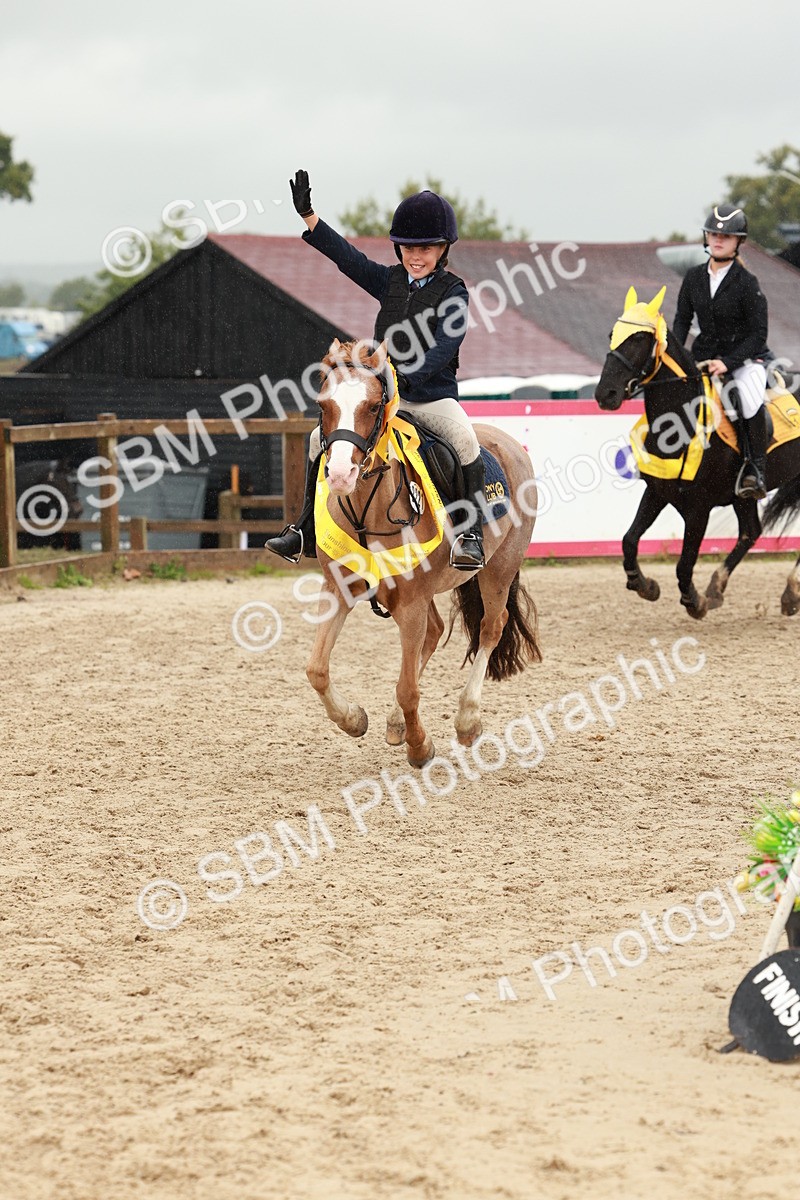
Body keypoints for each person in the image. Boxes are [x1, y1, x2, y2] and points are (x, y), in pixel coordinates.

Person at [266, 170, 486, 570]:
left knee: (465, 441)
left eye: (426, 249)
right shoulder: (391, 281)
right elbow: (348, 259)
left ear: (443, 249)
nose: (415, 257)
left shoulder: (454, 292)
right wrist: (310, 218)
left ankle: (470, 534)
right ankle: (304, 530)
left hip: (432, 397)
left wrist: (402, 378)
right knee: (320, 439)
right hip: (382, 400)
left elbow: (445, 347)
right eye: (407, 248)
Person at [673, 203, 771, 500]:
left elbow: (759, 335)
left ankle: (756, 470)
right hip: (702, 357)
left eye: (726, 236)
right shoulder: (693, 277)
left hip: (743, 360)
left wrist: (727, 363)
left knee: (750, 399)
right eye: (713, 234)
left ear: (738, 242)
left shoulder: (746, 283)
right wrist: (678, 358)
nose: (718, 240)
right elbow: (681, 321)